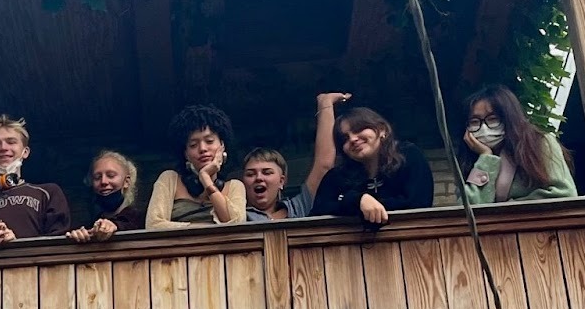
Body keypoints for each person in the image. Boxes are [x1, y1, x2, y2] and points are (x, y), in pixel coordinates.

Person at [310, 107, 436, 224]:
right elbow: (318, 213)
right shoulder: (336, 177)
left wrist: (367, 204)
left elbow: (417, 204)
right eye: (345, 139)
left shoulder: (408, 156)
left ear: (382, 129)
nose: (353, 139)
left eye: (358, 129)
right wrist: (357, 200)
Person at [0, 116, 72, 243]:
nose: (3, 148)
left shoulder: (48, 193)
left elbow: (59, 244)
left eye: (11, 142)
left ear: (25, 152)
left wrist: (16, 244)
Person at [462, 84, 576, 204]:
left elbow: (564, 194)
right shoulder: (471, 160)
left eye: (492, 119)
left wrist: (506, 208)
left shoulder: (539, 143)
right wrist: (486, 158)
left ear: (509, 118)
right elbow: (468, 209)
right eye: (474, 122)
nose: (484, 128)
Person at [243, 92, 346, 221]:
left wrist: (325, 104)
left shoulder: (298, 207)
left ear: (281, 181)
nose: (258, 178)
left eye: (267, 172)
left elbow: (323, 166)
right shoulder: (234, 216)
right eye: (250, 174)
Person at [145, 105, 248, 228]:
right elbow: (153, 225)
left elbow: (237, 225)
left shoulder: (234, 186)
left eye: (209, 141)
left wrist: (206, 179)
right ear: (186, 154)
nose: (203, 149)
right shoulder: (169, 180)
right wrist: (203, 229)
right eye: (193, 145)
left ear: (222, 145)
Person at [67, 150, 141, 243]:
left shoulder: (139, 219)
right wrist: (79, 237)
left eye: (111, 175)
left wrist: (115, 226)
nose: (103, 182)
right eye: (97, 177)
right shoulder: (92, 224)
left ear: (126, 182)